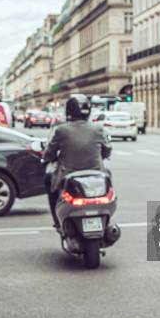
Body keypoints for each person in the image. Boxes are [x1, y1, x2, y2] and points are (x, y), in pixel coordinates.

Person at [43, 95, 112, 227]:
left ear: (69, 111)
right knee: (108, 177)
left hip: (68, 174)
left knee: (48, 179)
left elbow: (49, 153)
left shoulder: (61, 130)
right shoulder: (98, 129)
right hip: (96, 173)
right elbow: (107, 150)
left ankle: (58, 222)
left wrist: (47, 157)